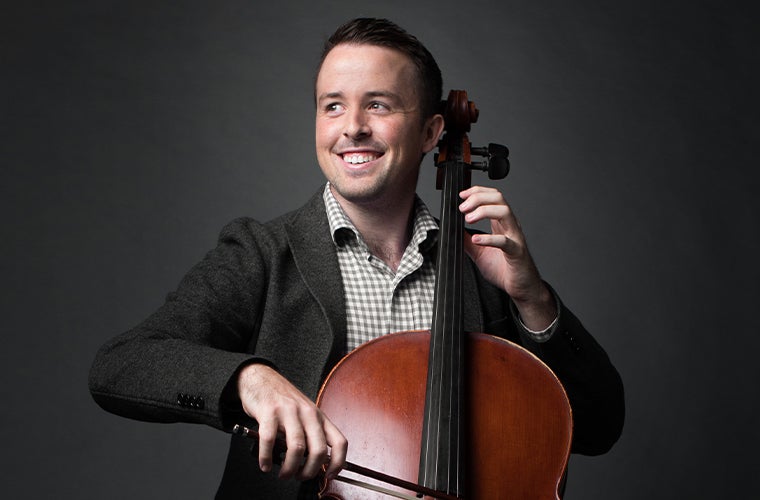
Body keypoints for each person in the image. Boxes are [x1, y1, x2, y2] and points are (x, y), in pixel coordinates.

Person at [89, 17, 624, 499]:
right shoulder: (262, 253)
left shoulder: (482, 269)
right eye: (333, 105)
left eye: (378, 104)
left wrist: (532, 298)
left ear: (432, 132)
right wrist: (250, 379)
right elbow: (122, 364)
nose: (352, 127)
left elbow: (599, 426)